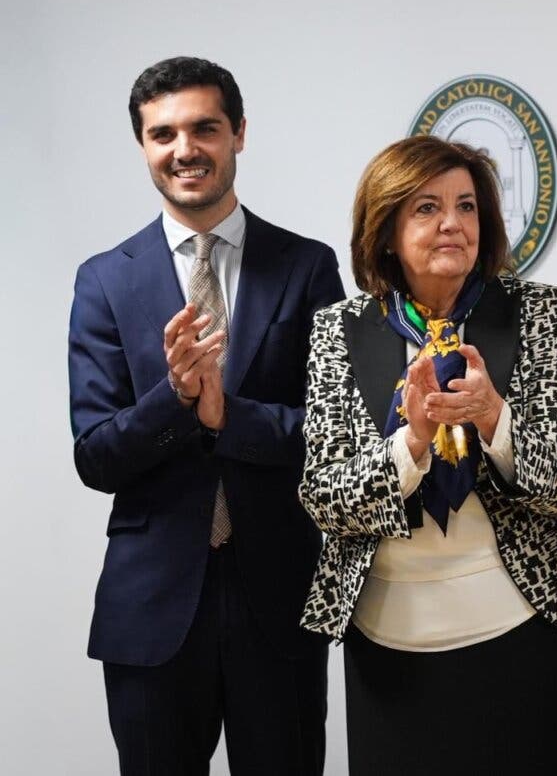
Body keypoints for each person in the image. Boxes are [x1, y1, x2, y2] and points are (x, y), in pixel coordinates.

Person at [297, 135, 557, 775]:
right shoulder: (337, 329)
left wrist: (493, 416)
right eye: (426, 208)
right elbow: (325, 499)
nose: (452, 223)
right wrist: (412, 442)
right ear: (386, 229)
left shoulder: (534, 311)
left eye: (467, 206)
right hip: (391, 646)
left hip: (528, 632)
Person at [68, 56, 344, 774]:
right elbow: (95, 454)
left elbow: (334, 436)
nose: (184, 149)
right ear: (143, 146)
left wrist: (227, 415)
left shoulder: (307, 267)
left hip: (277, 601)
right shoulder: (104, 279)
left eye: (203, 128)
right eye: (162, 134)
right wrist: (178, 401)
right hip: (151, 609)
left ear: (239, 134)